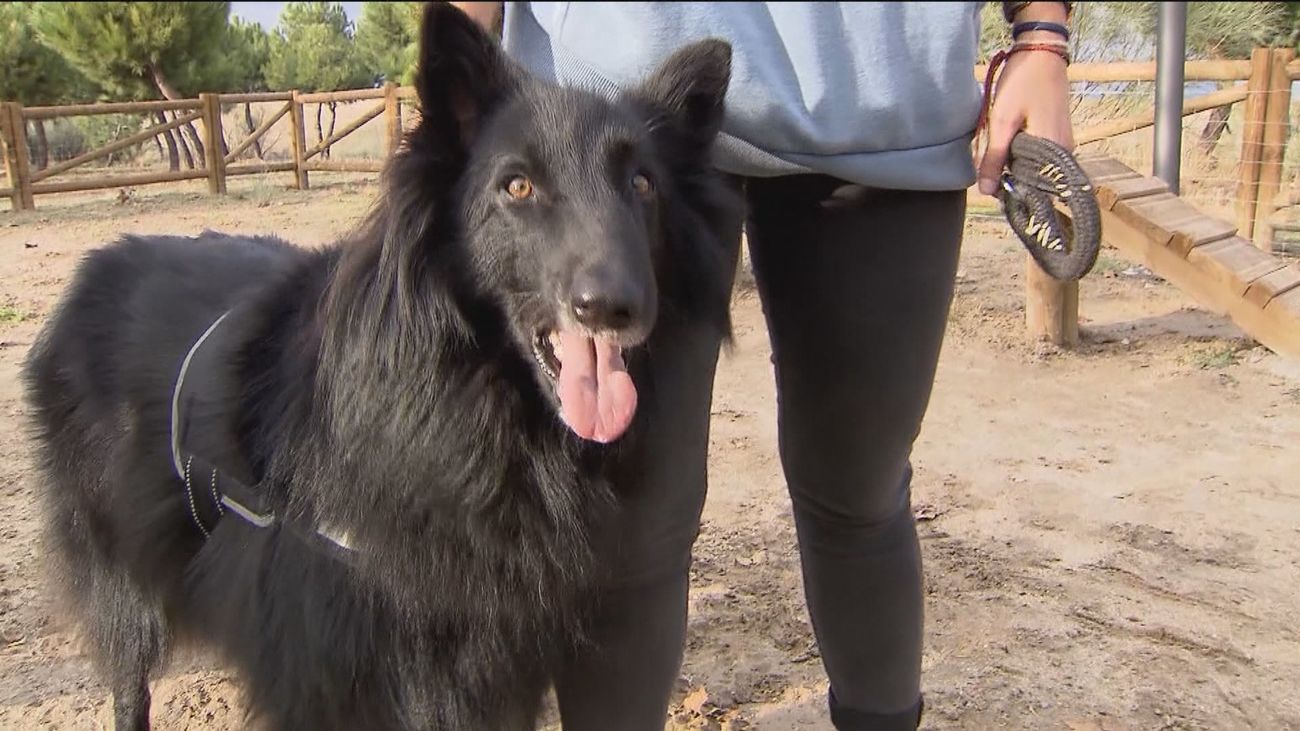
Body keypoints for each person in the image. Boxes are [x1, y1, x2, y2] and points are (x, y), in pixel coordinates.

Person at [449, 2, 1075, 729]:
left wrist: (1042, 34)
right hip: (605, 115)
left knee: (860, 492)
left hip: (880, 104)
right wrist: (459, 69)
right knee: (627, 521)